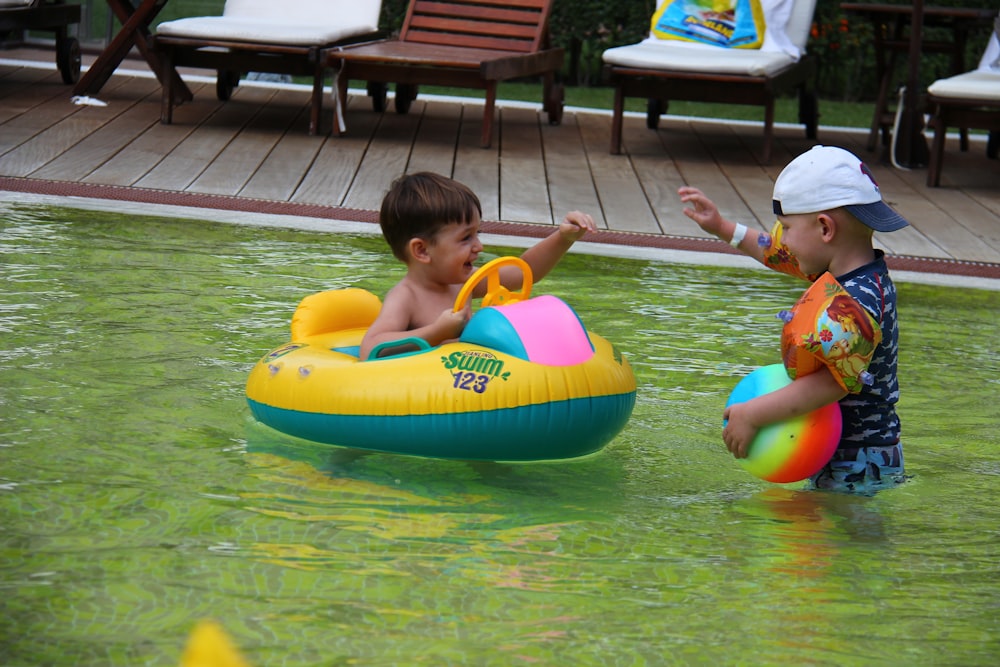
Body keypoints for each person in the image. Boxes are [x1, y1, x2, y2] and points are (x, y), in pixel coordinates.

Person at [678, 145, 907, 493]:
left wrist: (753, 414)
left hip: (857, 464)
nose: (781, 237)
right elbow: (776, 253)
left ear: (825, 229)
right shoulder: (847, 271)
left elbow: (833, 383)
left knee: (842, 544)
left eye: (786, 226)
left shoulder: (855, 301)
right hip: (844, 452)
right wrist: (723, 227)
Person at [359, 172, 596, 361]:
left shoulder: (467, 280)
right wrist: (437, 332)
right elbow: (370, 347)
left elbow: (526, 271)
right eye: (466, 238)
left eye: (477, 234)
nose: (479, 246)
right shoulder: (406, 297)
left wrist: (563, 238)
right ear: (422, 250)